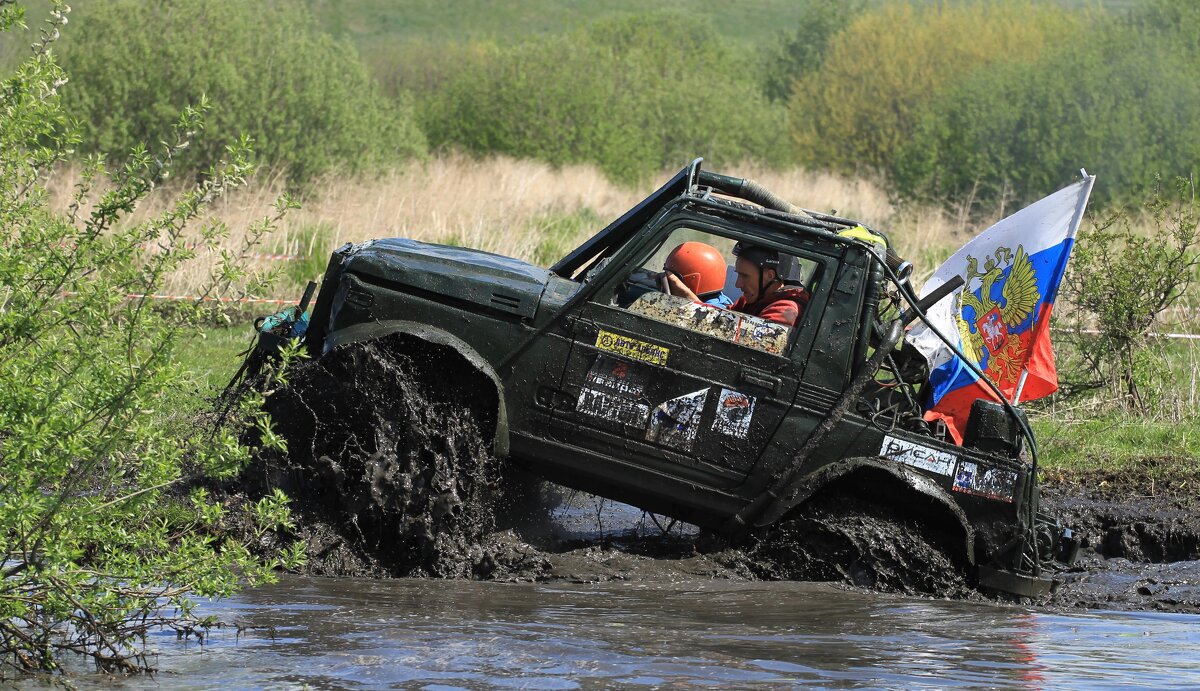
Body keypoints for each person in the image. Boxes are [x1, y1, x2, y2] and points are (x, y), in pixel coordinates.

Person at [730, 242, 810, 327]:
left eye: (745, 276)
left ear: (770, 276)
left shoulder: (785, 311)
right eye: (739, 274)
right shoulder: (751, 298)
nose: (737, 284)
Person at [660, 241, 734, 308]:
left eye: (672, 278)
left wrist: (686, 295)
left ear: (693, 280)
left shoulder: (719, 312)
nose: (668, 280)